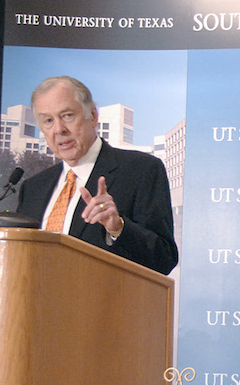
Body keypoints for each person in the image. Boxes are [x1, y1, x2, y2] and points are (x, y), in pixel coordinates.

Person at [16, 76, 178, 275]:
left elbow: (163, 259)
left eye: (67, 115)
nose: (59, 129)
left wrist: (118, 228)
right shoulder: (33, 188)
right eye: (48, 121)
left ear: (92, 116)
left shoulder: (141, 170)